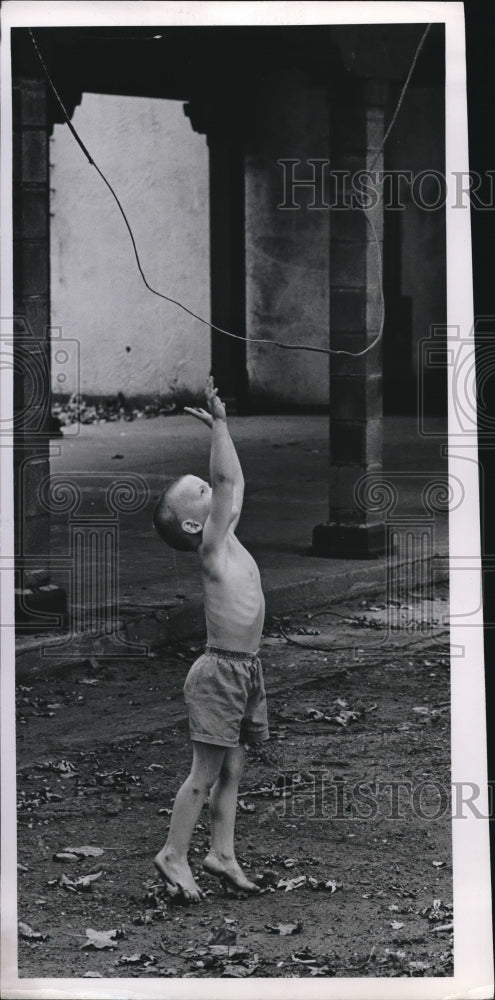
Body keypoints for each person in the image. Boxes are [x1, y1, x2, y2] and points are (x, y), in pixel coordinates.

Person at [152, 376, 269, 901]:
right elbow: (224, 484)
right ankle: (173, 853)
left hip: (245, 668)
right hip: (219, 672)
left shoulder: (227, 534)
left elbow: (232, 484)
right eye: (200, 492)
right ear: (196, 526)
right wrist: (219, 424)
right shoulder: (212, 550)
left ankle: (221, 854)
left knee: (233, 767)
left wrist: (224, 436)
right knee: (203, 774)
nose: (214, 490)